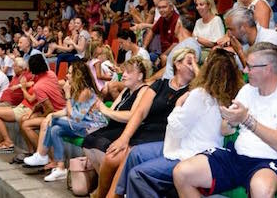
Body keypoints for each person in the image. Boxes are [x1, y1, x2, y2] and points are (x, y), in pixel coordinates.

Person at [172, 42, 277, 198]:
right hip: (238, 156)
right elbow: (224, 130)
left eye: (250, 67)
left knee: (262, 188)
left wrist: (247, 120)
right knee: (181, 173)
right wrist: (230, 121)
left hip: (273, 161)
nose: (245, 70)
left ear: (267, 69)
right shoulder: (247, 90)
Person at [117, 49, 244, 198]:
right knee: (135, 154)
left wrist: (178, 105)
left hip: (191, 152)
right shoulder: (230, 94)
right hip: (190, 145)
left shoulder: (200, 94)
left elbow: (176, 128)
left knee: (137, 175)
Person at [95, 48, 195, 198]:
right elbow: (140, 113)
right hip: (144, 132)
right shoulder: (159, 85)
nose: (194, 66)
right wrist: (124, 138)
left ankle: (111, 196)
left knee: (128, 155)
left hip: (165, 138)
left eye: (196, 62)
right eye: (190, 62)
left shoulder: (194, 91)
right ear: (178, 64)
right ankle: (99, 195)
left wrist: (195, 67)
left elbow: (206, 88)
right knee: (111, 157)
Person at [23, 61, 107, 182]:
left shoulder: (86, 92)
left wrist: (67, 96)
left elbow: (75, 117)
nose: (66, 75)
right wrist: (51, 115)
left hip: (93, 128)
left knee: (55, 122)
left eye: (70, 73)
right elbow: (65, 111)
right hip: (81, 125)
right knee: (55, 130)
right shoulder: (78, 90)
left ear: (77, 75)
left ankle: (41, 154)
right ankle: (60, 167)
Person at [83, 57, 150, 174]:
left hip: (128, 130)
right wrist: (98, 107)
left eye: (128, 72)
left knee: (100, 142)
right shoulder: (126, 90)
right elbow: (112, 110)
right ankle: (102, 181)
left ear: (140, 76)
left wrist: (105, 110)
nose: (123, 75)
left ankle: (109, 182)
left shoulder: (145, 90)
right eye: (124, 71)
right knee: (88, 140)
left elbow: (132, 116)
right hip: (114, 127)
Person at [0, 54, 65, 153]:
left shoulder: (39, 86)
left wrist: (23, 88)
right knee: (24, 119)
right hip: (57, 109)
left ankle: (41, 154)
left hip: (56, 113)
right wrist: (33, 111)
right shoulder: (50, 74)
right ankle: (31, 151)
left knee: (25, 123)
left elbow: (49, 108)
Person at [217, 8, 277, 84]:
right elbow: (241, 71)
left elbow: (258, 76)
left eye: (230, 29)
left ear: (243, 27)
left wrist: (240, 52)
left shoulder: (269, 39)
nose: (228, 34)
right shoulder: (245, 41)